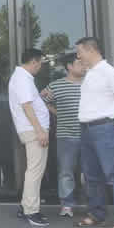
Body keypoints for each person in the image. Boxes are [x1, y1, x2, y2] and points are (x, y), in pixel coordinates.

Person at [75, 37, 114, 228]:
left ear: (91, 50)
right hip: (87, 129)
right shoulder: (91, 73)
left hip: (104, 128)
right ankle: (97, 214)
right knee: (92, 176)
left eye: (80, 52)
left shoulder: (110, 72)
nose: (78, 56)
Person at [8, 48, 50, 227]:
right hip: (33, 130)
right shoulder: (23, 79)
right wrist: (39, 130)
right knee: (35, 171)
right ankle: (31, 211)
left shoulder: (21, 78)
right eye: (40, 63)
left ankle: (27, 206)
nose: (40, 67)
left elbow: (28, 102)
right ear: (34, 61)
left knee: (33, 170)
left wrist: (39, 97)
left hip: (31, 129)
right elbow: (26, 106)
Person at [41, 53, 85, 218]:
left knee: (90, 172)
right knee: (66, 171)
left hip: (89, 135)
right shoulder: (56, 85)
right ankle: (67, 205)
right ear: (69, 67)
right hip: (66, 135)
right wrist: (57, 113)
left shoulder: (90, 84)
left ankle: (93, 205)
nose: (83, 66)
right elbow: (42, 100)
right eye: (79, 63)